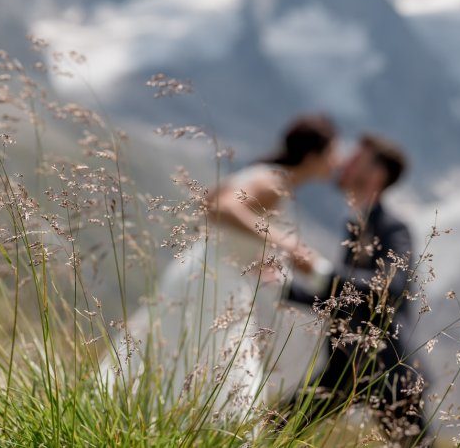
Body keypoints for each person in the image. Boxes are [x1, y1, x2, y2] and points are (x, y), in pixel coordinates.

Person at [100, 114, 338, 418]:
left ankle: (141, 418)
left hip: (208, 274)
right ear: (313, 154)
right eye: (333, 152)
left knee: (177, 354)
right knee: (226, 368)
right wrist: (285, 243)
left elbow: (219, 208)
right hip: (214, 283)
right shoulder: (273, 181)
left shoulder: (269, 176)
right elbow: (219, 206)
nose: (337, 161)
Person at [286, 134, 428, 443]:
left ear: (375, 175)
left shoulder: (393, 228)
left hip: (388, 366)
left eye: (353, 161)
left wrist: (320, 270)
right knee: (282, 425)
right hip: (345, 365)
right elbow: (344, 297)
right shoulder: (355, 226)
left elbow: (390, 286)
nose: (344, 165)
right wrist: (284, 289)